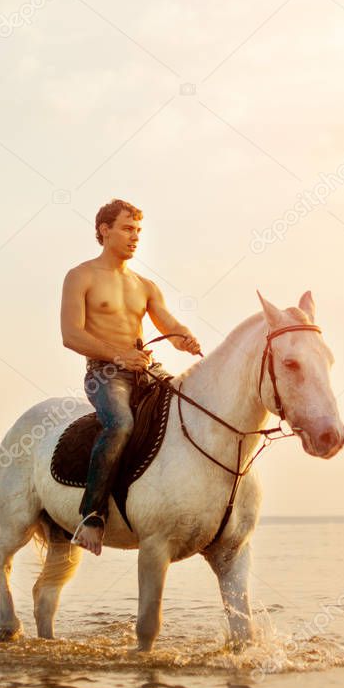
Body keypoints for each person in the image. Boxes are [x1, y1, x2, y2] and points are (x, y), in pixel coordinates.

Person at [60, 198, 201, 555]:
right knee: (120, 424)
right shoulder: (81, 276)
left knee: (192, 406)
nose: (134, 237)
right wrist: (120, 355)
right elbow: (71, 335)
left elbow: (166, 322)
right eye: (127, 228)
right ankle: (91, 515)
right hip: (106, 373)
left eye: (138, 230)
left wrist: (183, 336)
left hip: (146, 368)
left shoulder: (145, 285)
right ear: (104, 230)